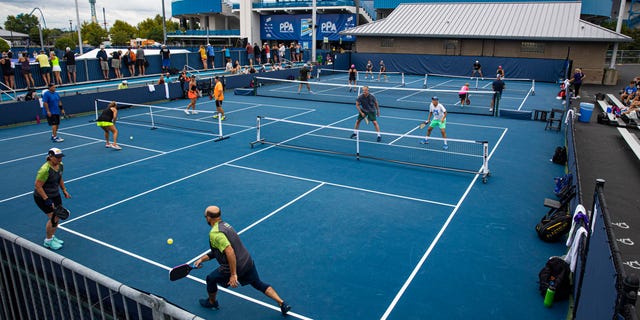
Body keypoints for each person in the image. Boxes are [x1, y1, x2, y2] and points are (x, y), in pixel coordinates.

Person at [194, 206, 291, 316]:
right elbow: (219, 251)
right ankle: (282, 303)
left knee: (210, 279)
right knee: (257, 283)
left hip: (235, 266)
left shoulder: (215, 234)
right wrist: (202, 259)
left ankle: (212, 302)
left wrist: (233, 274)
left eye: (205, 216)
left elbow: (229, 251)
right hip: (247, 261)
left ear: (209, 218)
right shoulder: (226, 226)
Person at [34, 147, 71, 250]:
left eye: (61, 157)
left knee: (57, 216)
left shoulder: (60, 166)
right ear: (50, 157)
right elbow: (38, 186)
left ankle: (52, 236)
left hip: (55, 195)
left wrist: (64, 190)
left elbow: (59, 178)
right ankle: (48, 241)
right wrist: (46, 199)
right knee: (53, 217)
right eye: (57, 157)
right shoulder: (44, 170)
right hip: (42, 197)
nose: (60, 159)